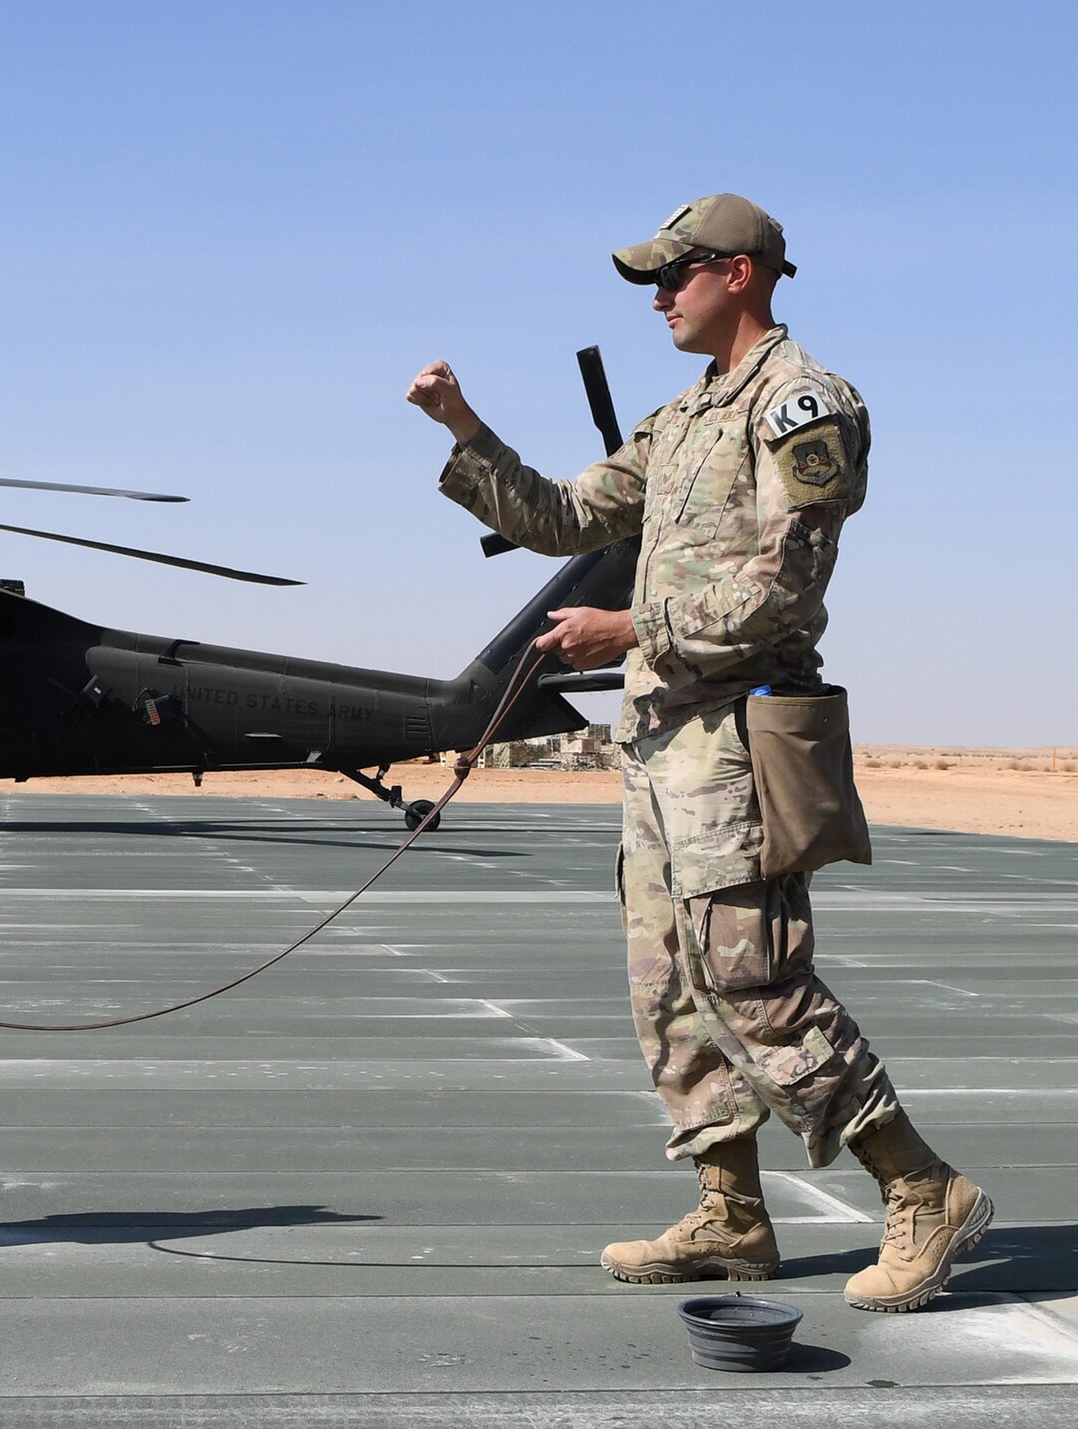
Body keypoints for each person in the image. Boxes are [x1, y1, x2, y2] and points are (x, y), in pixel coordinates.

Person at [406, 194, 992, 1313]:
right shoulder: (681, 419)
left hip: (735, 732)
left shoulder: (800, 404)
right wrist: (464, 431)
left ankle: (922, 1186)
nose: (658, 298)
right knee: (668, 982)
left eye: (670, 277)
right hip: (659, 742)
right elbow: (569, 516)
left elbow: (785, 586)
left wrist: (630, 630)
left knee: (751, 975)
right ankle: (730, 1211)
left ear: (738, 272)